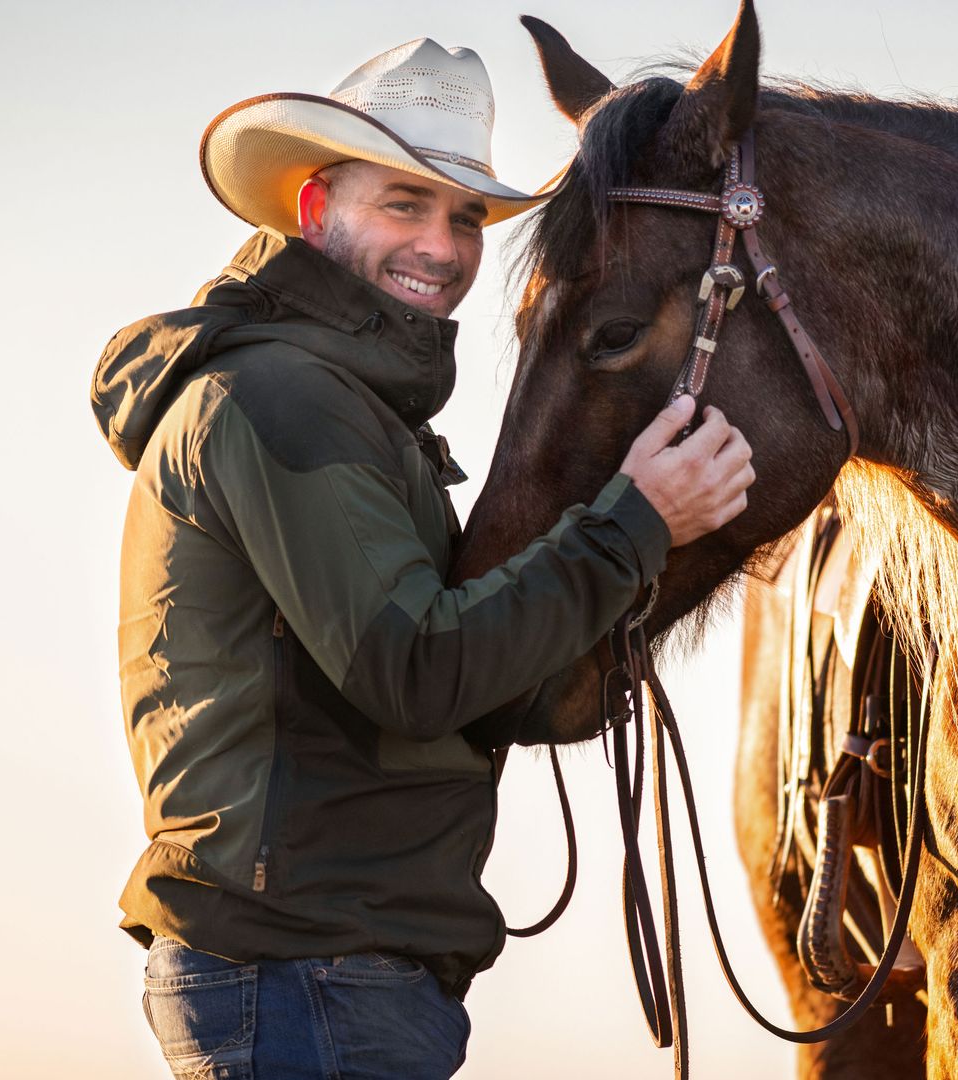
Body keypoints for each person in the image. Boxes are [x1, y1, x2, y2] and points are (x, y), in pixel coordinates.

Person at [89, 36, 754, 1079]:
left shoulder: (347, 407)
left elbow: (451, 694)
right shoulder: (285, 399)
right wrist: (634, 525)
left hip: (329, 971)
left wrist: (648, 562)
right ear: (316, 210)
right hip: (305, 970)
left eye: (464, 217)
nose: (444, 247)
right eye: (405, 203)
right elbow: (415, 670)